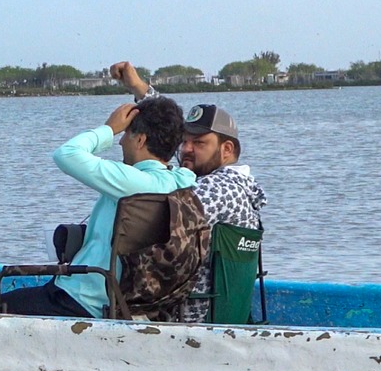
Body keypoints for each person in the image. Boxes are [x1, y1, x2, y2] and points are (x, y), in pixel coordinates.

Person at [0, 96, 195, 317]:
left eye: (125, 134)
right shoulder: (183, 182)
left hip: (83, 299)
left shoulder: (133, 182)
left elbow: (67, 154)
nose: (120, 142)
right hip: (135, 301)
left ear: (140, 140)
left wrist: (108, 129)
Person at [112, 63, 267, 323]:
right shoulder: (224, 180)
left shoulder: (221, 189)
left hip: (187, 321)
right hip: (205, 315)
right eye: (184, 141)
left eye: (199, 143)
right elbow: (166, 140)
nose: (186, 149)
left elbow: (154, 208)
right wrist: (140, 89)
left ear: (227, 149)